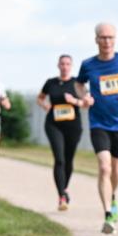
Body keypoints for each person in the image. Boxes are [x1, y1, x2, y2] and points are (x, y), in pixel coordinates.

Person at [75, 23, 118, 234]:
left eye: (110, 37)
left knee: (117, 170)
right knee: (104, 167)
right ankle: (108, 214)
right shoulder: (88, 65)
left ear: (115, 39)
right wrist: (84, 97)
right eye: (103, 38)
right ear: (96, 40)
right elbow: (79, 83)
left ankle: (112, 196)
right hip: (98, 122)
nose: (107, 41)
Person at [37, 54, 83, 210]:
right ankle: (61, 196)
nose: (65, 66)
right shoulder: (51, 83)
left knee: (69, 160)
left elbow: (88, 102)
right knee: (60, 159)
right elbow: (40, 98)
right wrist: (44, 105)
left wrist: (74, 101)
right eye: (62, 63)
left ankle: (64, 188)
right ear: (58, 65)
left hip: (73, 126)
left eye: (68, 64)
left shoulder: (77, 83)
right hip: (53, 124)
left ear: (71, 66)